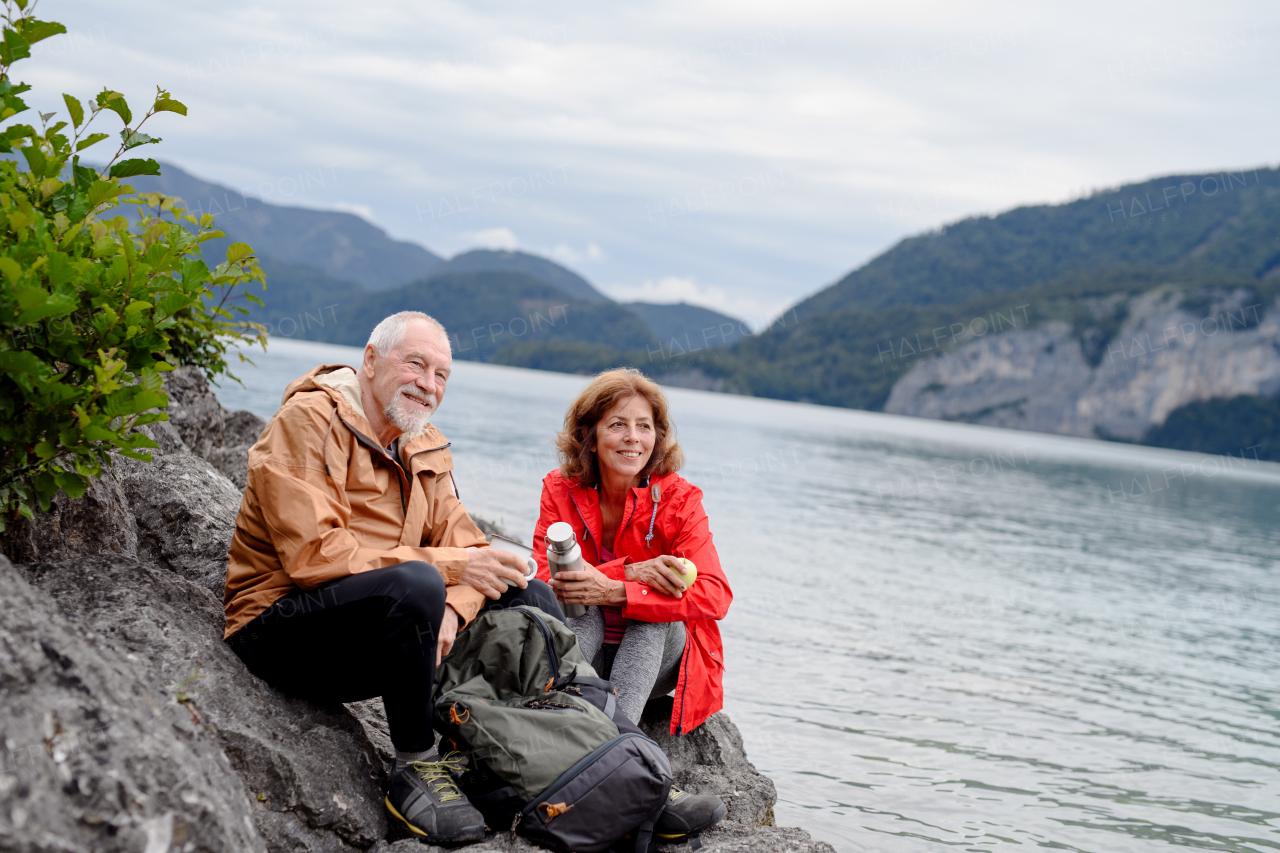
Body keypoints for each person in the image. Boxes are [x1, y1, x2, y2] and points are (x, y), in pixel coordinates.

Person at [222, 310, 562, 844]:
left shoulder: (424, 441)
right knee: (417, 583)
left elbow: (471, 549)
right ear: (372, 360)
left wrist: (452, 605)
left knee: (529, 593)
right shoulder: (308, 420)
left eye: (442, 375)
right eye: (416, 364)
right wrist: (447, 576)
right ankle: (415, 767)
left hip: (387, 634)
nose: (428, 385)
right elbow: (314, 557)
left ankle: (573, 753)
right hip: (280, 627)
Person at [534, 368, 732, 840]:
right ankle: (622, 770)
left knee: (653, 612)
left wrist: (624, 591)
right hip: (590, 648)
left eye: (644, 426)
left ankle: (610, 755)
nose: (632, 438)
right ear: (590, 434)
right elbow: (545, 581)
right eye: (618, 424)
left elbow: (716, 593)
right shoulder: (559, 488)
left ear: (658, 437)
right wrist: (620, 577)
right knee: (583, 615)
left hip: (658, 657)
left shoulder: (680, 499)